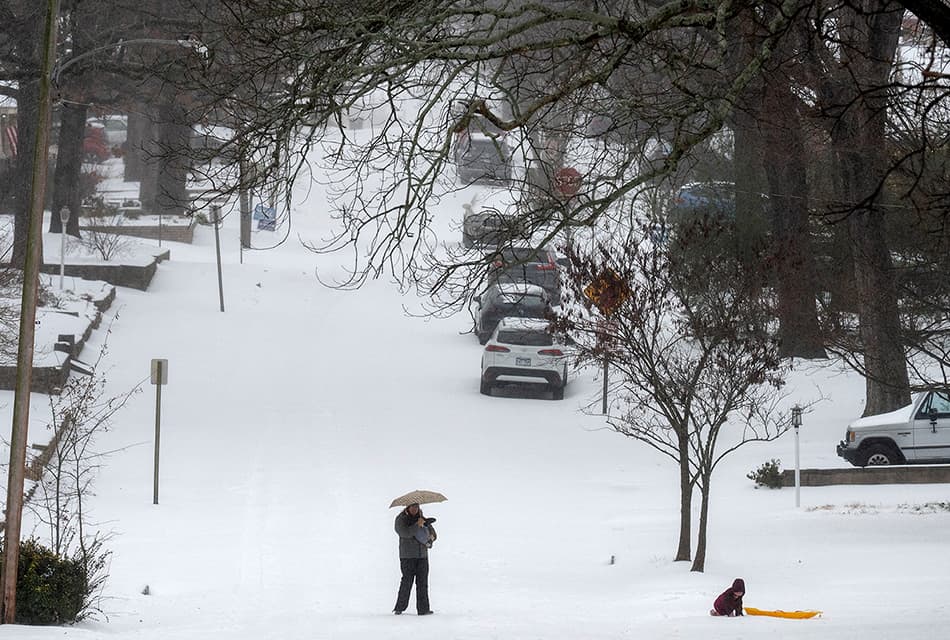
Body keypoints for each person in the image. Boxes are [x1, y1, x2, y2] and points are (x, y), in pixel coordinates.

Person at [393, 503, 434, 615]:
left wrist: (432, 537)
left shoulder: (421, 518)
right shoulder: (401, 519)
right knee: (407, 582)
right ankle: (399, 608)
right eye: (413, 507)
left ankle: (423, 609)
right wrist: (417, 525)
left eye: (417, 507)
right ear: (408, 507)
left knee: (423, 583)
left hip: (422, 556)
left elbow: (432, 533)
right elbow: (405, 533)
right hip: (407, 556)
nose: (415, 509)